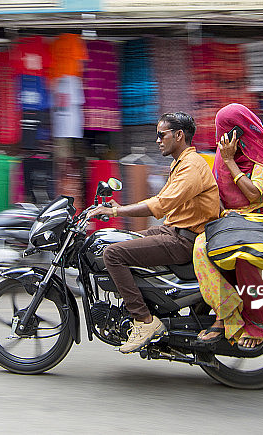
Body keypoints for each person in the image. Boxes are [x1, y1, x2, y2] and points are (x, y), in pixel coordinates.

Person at [89, 112, 220, 353]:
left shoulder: (191, 167)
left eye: (162, 135)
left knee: (113, 254)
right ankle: (150, 302)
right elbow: (161, 201)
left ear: (179, 135)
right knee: (127, 240)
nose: (158, 140)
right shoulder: (180, 163)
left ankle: (144, 320)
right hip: (175, 231)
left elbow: (161, 205)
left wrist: (117, 211)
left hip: (184, 240)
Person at [193, 103, 263, 350]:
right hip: (229, 220)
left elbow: (254, 194)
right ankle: (227, 314)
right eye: (219, 129)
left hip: (255, 219)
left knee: (244, 256)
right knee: (200, 249)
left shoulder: (259, 156)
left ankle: (260, 323)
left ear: (240, 131)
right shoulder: (224, 152)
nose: (222, 136)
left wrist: (232, 162)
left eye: (227, 129)